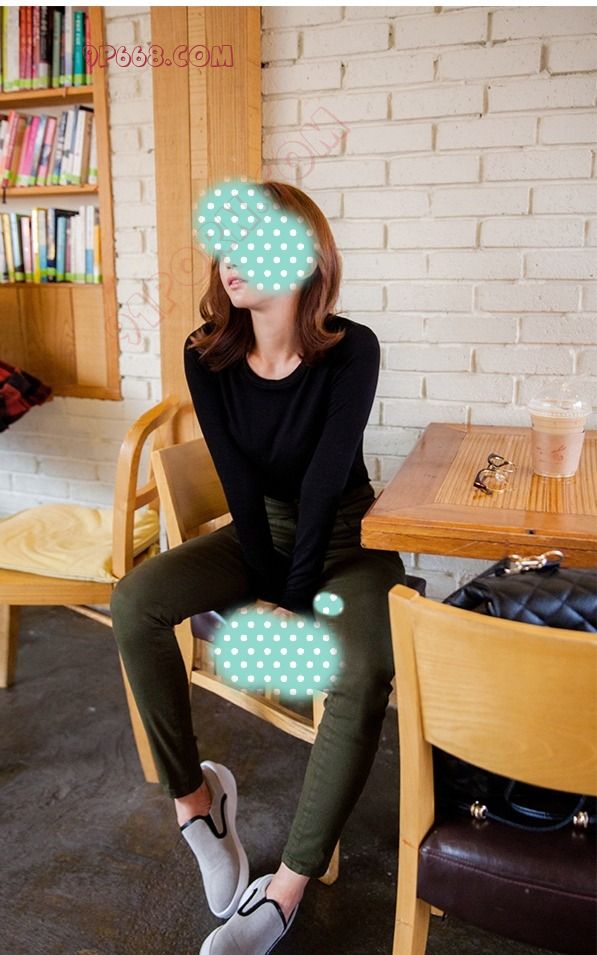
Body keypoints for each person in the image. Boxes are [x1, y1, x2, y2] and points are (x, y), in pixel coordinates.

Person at [111, 181, 406, 955]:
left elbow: (324, 483)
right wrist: (266, 581)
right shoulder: (204, 352)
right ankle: (197, 806)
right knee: (135, 599)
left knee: (363, 669)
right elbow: (240, 484)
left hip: (348, 539)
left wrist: (294, 599)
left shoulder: (353, 350)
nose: (229, 259)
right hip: (258, 533)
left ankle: (284, 892)